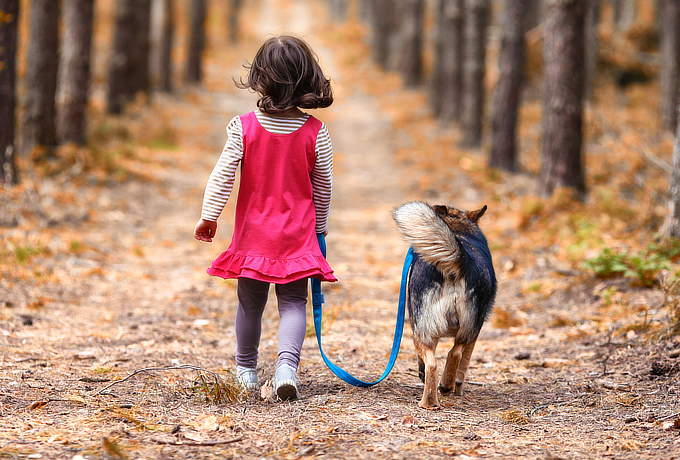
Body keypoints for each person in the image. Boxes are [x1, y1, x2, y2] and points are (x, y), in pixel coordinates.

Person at [194, 35, 337, 401]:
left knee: (250, 304)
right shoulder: (315, 133)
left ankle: (245, 371)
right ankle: (287, 367)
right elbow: (323, 187)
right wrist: (318, 228)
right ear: (308, 78)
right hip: (296, 237)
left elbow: (222, 174)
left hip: (253, 236)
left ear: (261, 78)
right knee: (293, 303)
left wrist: (209, 216)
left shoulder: (243, 127)